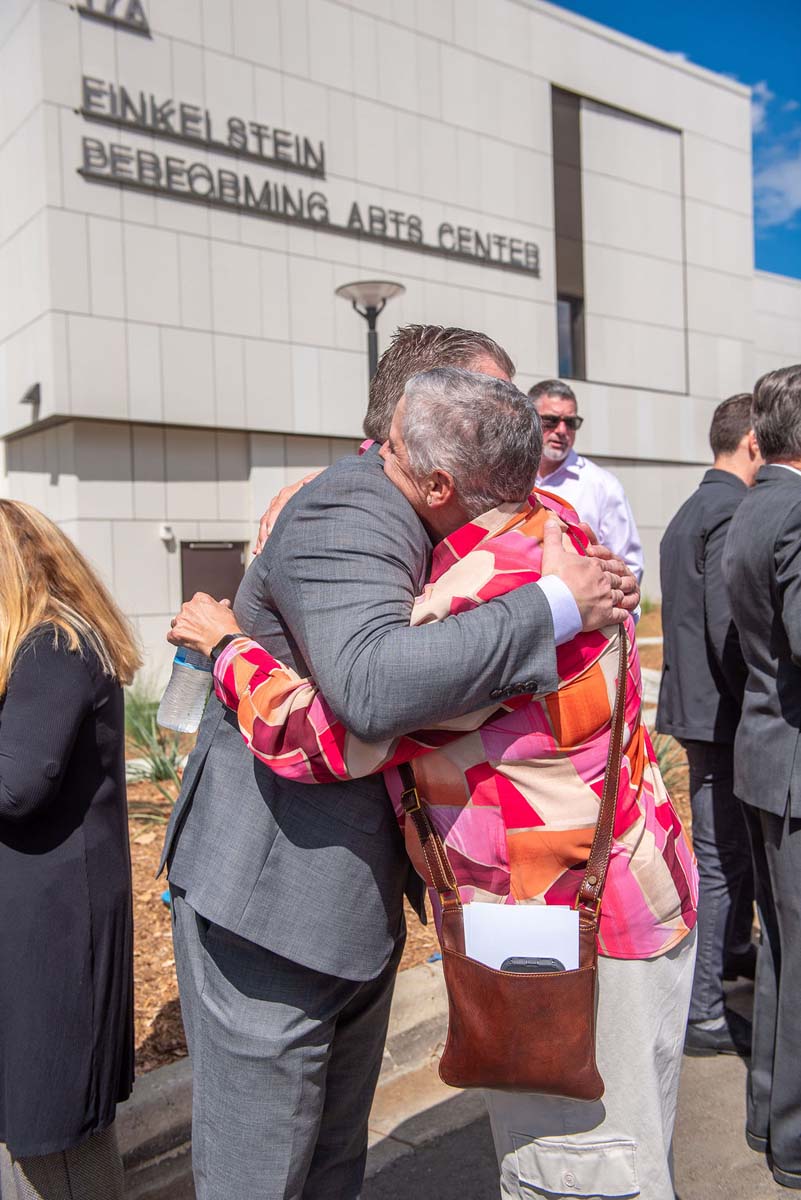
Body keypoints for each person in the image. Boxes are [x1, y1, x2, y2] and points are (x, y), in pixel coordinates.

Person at [169, 367, 697, 1200]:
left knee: (576, 1176)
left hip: (559, 936)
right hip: (638, 897)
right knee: (630, 1154)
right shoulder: (559, 529)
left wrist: (226, 643)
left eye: (386, 453)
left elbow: (327, 738)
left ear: (442, 483)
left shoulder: (476, 596)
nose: (368, 464)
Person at [0, 501, 141, 1200]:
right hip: (39, 910)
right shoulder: (42, 642)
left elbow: (15, 787)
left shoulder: (54, 646)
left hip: (53, 922)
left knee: (52, 1123)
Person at [657, 394, 761, 1056]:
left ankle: (727, 958)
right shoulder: (727, 511)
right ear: (753, 441)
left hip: (697, 712)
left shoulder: (687, 509)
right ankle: (702, 1015)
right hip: (720, 718)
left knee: (723, 855)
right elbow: (731, 633)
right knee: (719, 863)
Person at [722, 364, 801, 1191]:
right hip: (793, 768)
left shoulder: (755, 503)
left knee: (783, 953)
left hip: (766, 757)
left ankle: (771, 1121)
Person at [529, 379, 644, 583]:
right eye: (551, 420)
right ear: (529, 420)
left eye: (571, 423)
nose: (562, 431)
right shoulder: (508, 477)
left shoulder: (603, 486)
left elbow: (628, 566)